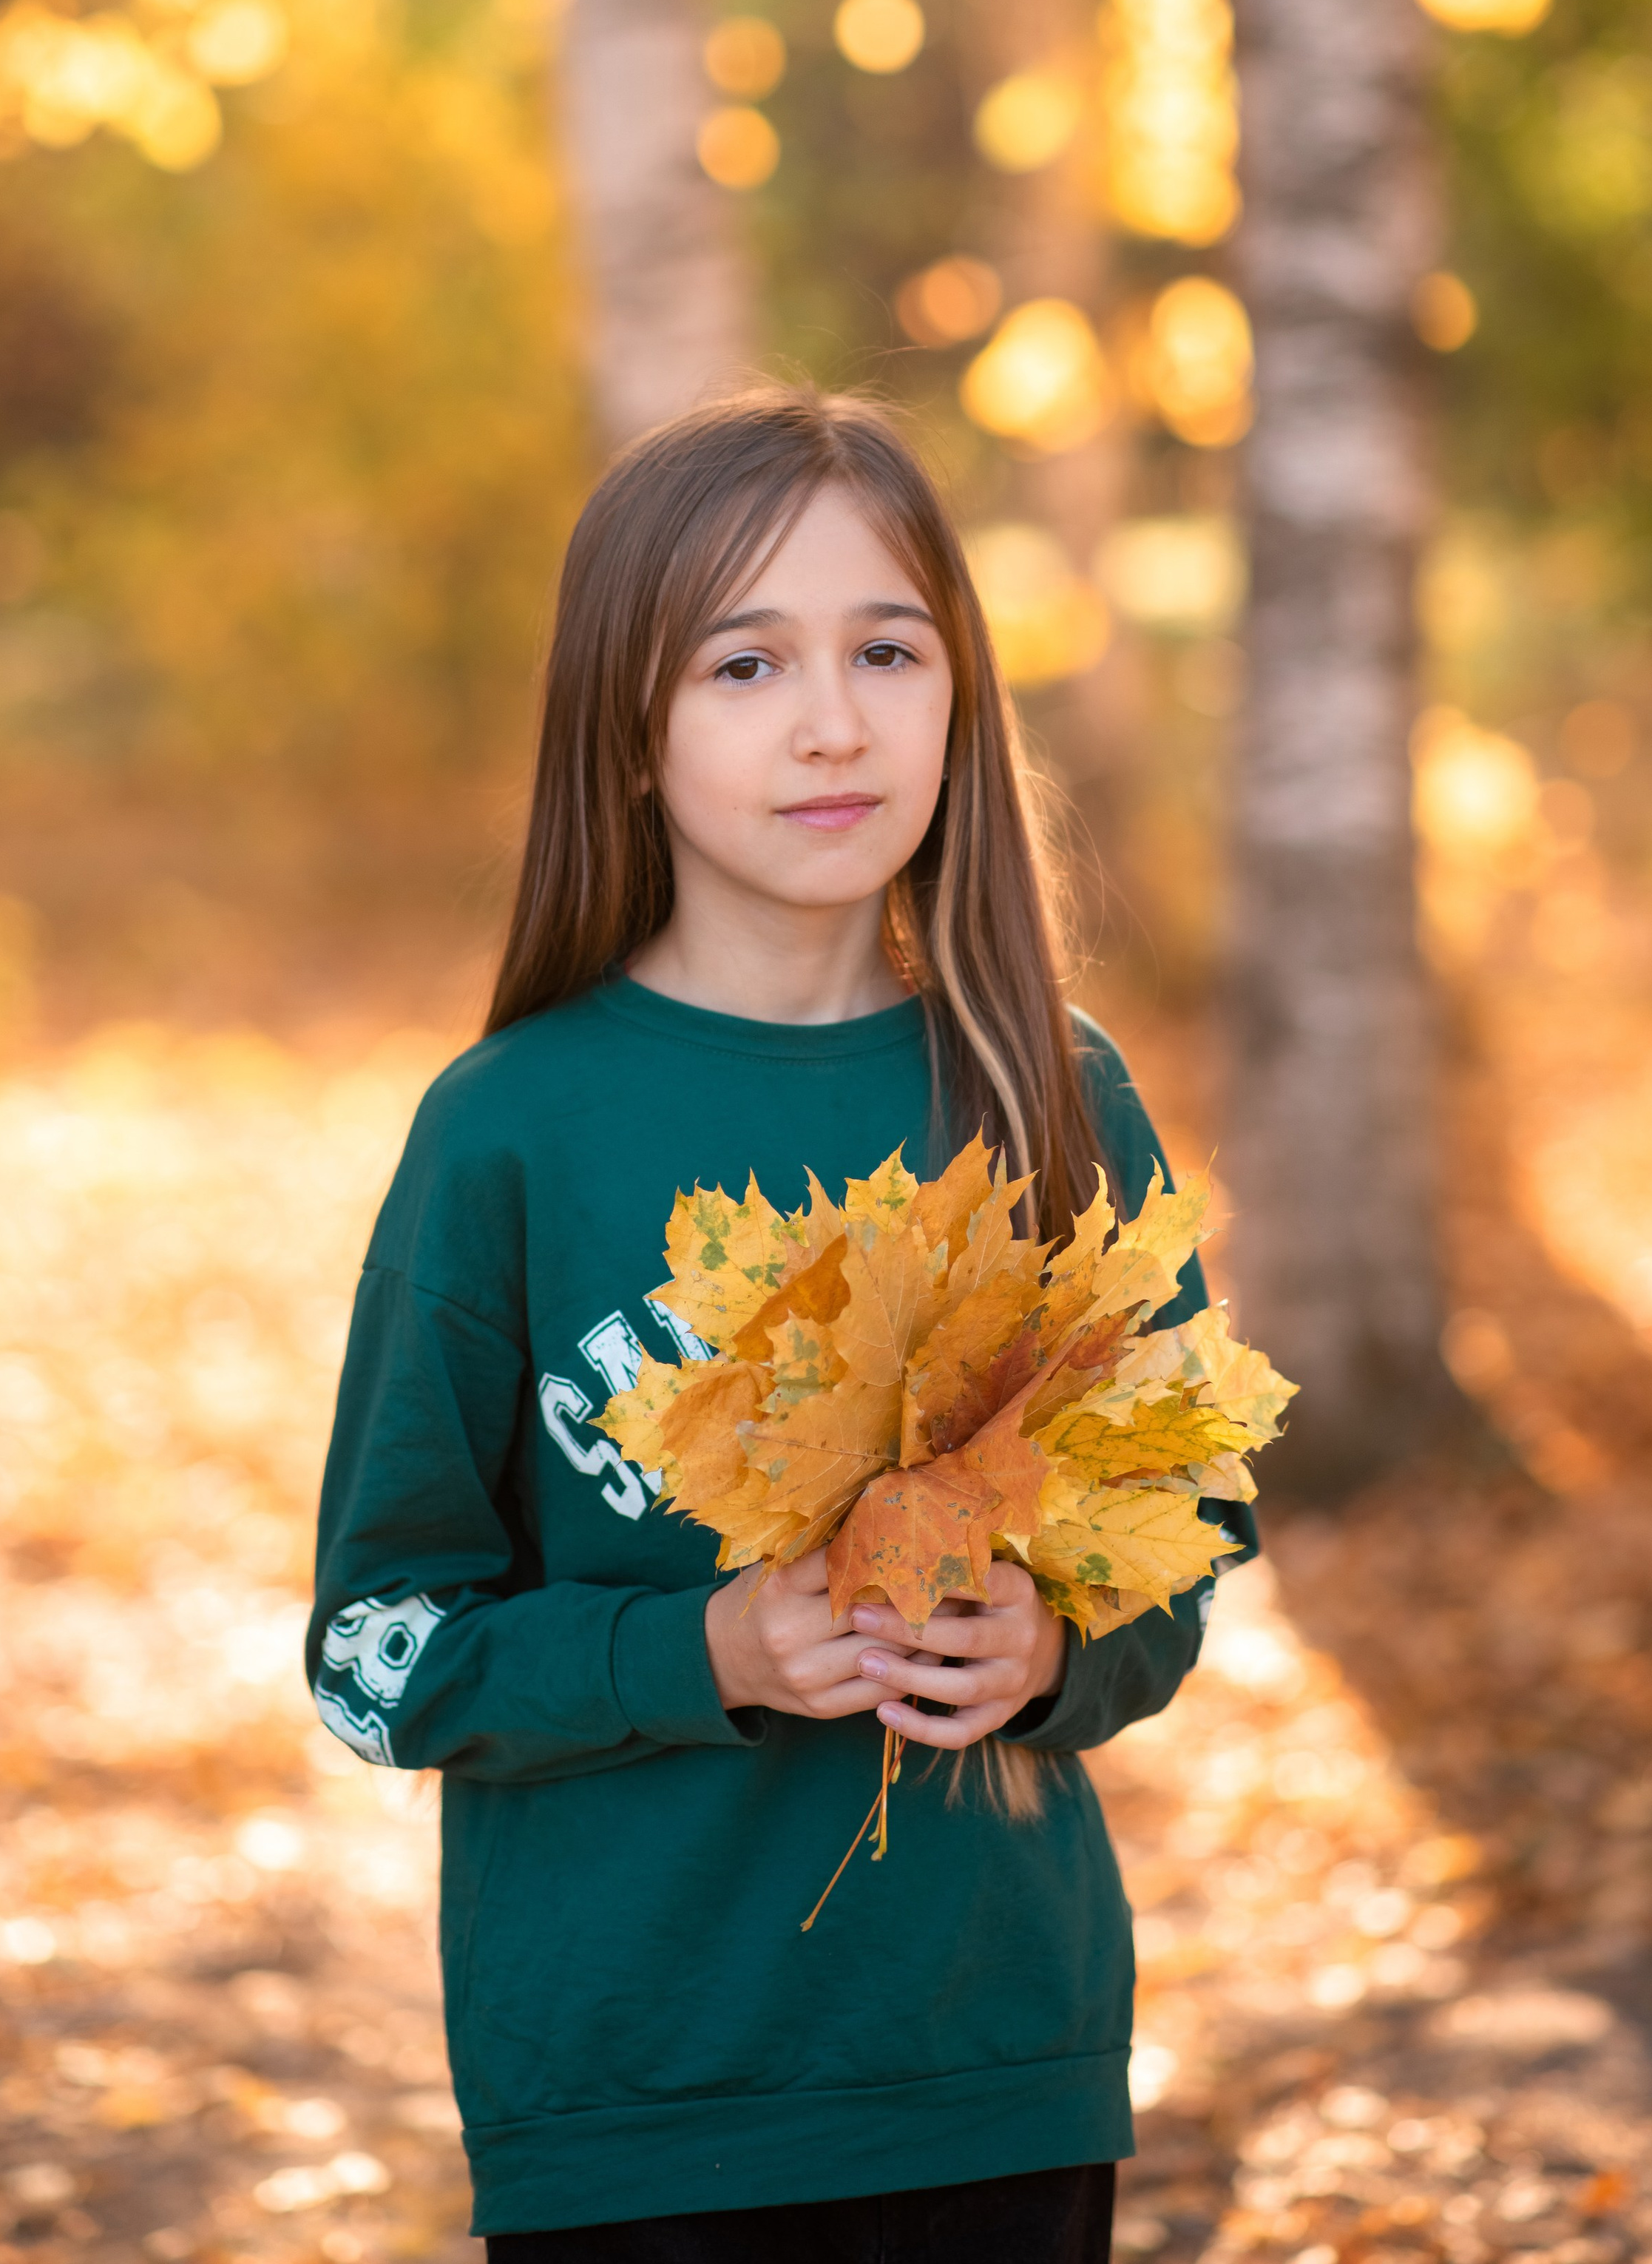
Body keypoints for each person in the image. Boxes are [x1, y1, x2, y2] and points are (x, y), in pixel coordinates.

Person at [308, 391, 1254, 2261]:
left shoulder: (1046, 1090)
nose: (831, 720)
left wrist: (1053, 1651)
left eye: (885, 649)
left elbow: (1190, 1528)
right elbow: (370, 1653)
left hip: (997, 2062)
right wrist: (708, 1646)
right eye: (743, 662)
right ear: (629, 732)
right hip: (631, 2104)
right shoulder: (513, 1131)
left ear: (957, 697)